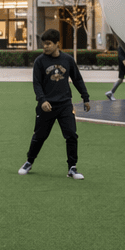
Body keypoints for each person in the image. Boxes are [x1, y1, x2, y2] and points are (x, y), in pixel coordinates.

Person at [18, 29, 91, 179]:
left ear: (57, 44)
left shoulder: (68, 60)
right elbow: (37, 83)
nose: (45, 47)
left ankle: (72, 168)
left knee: (71, 135)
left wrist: (85, 97)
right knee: (39, 136)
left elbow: (77, 79)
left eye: (48, 44)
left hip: (65, 105)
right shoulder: (40, 61)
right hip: (46, 106)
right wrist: (42, 100)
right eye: (43, 44)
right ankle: (29, 162)